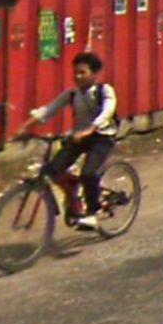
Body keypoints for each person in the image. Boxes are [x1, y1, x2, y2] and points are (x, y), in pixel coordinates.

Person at [16, 52, 118, 230]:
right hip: (78, 137)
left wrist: (91, 128)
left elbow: (107, 112)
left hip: (102, 136)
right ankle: (74, 196)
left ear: (95, 74)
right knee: (52, 170)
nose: (77, 77)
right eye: (76, 73)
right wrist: (25, 127)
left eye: (82, 72)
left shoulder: (104, 90)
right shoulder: (71, 94)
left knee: (88, 173)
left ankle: (92, 213)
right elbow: (49, 109)